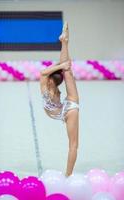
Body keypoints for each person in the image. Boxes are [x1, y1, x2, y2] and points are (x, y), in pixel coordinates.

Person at [40, 22, 79, 177]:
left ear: (51, 79)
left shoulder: (44, 84)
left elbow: (44, 72)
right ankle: (64, 42)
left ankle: (65, 42)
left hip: (64, 111)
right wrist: (61, 65)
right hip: (70, 108)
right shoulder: (49, 83)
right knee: (73, 146)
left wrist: (60, 65)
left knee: (73, 146)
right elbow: (48, 71)